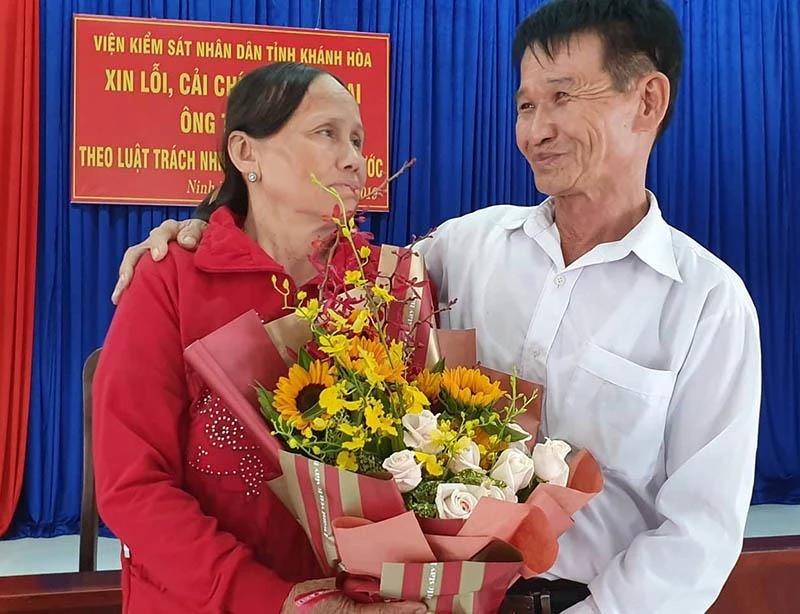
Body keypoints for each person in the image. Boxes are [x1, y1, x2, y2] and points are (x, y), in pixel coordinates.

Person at [115, 1, 762, 613]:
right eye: (525, 105)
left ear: (647, 101)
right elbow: (137, 479)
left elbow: (700, 533)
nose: (536, 130)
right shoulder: (463, 249)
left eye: (562, 97)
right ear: (244, 151)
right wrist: (192, 234)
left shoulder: (707, 304)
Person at [93, 61, 427, 614]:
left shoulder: (388, 285)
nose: (354, 159)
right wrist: (276, 602)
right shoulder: (172, 279)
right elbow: (134, 485)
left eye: (358, 140)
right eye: (327, 133)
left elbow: (423, 463)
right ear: (246, 153)